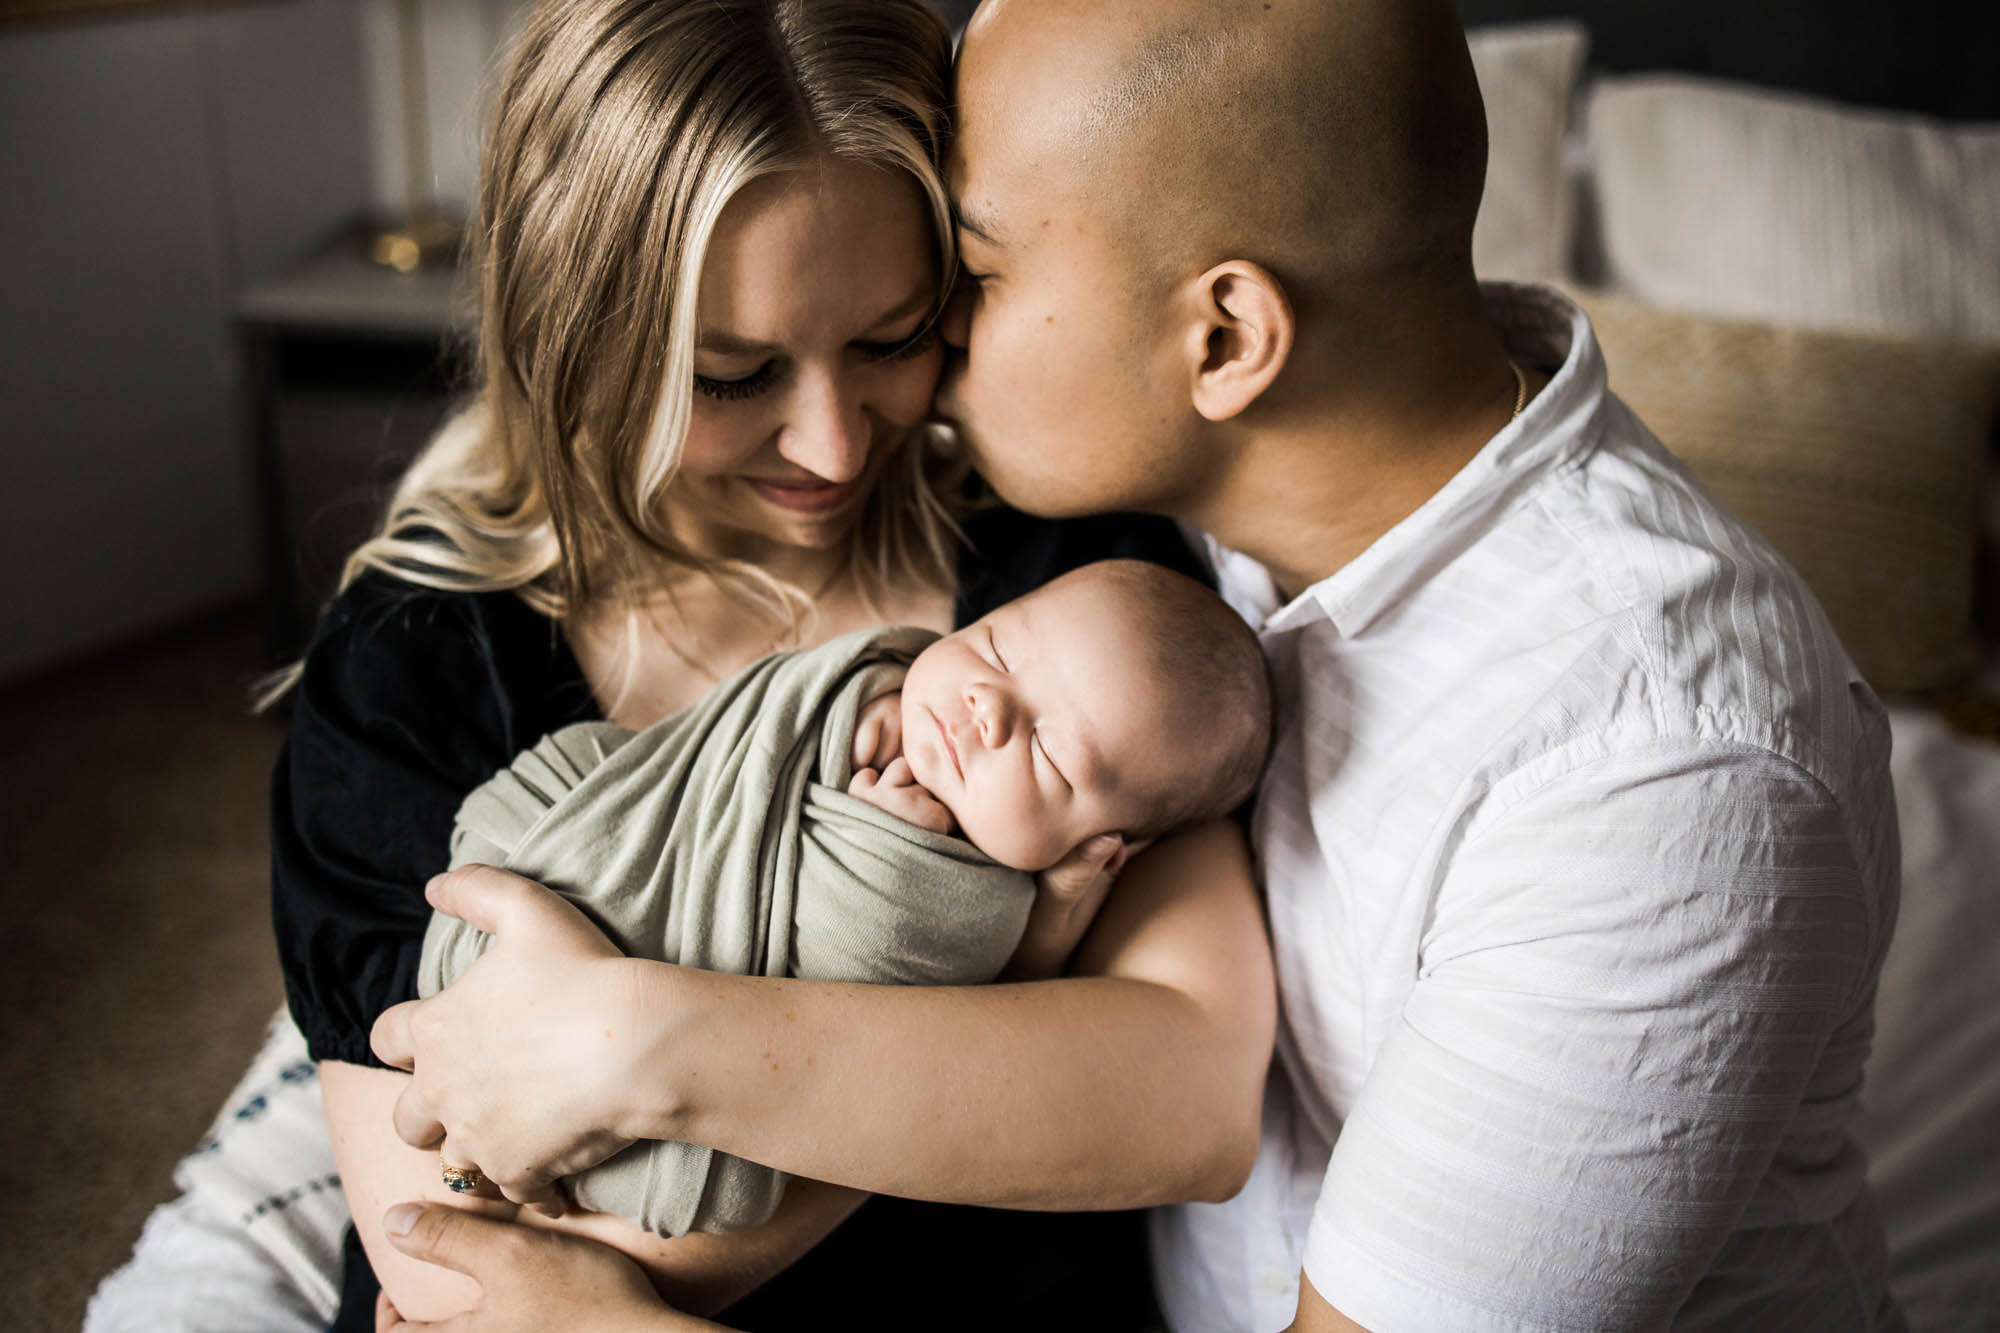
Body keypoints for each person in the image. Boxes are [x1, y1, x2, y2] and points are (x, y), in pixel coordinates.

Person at [370, 0, 1905, 1330]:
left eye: (967, 278)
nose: (922, 370)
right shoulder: (1206, 516)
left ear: (1228, 338)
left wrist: (644, 1105)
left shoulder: (1649, 785)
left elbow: (1178, 1088)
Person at [83, 2, 1283, 1331]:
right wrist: (1000, 1015)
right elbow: (463, 1280)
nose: (832, 447)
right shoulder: (415, 673)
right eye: (730, 375)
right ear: (578, 333)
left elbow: (1192, 1097)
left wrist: (645, 1049)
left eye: (890, 339)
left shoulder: (1074, 600)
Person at [418, 559, 1272, 1242]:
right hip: (576, 841)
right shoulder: (872, 677)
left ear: (1101, 847)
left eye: (1052, 754)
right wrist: (839, 713)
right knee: (575, 780)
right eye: (998, 649)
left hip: (664, 1059)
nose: (987, 707)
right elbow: (724, 743)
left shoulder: (979, 901)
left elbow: (920, 991)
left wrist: (881, 855)